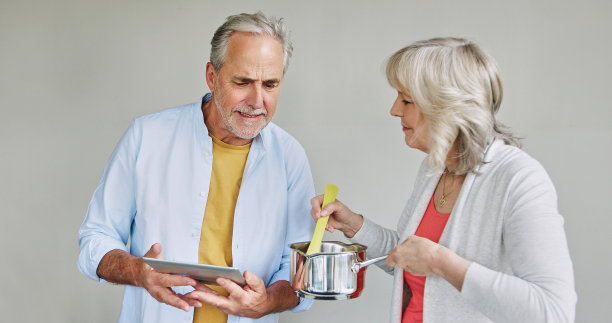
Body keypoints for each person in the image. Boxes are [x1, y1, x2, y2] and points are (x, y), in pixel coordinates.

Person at [310, 37, 576, 322]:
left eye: (406, 100)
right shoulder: (434, 168)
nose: (394, 110)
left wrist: (441, 263)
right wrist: (355, 226)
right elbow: (410, 258)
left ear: (446, 108)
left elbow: (553, 310)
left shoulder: (519, 179)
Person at [77, 12, 315, 323]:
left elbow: (300, 270)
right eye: (243, 82)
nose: (257, 100)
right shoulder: (147, 136)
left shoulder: (290, 156)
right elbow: (95, 239)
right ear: (212, 76)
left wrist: (269, 301)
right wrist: (138, 272)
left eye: (270, 84)